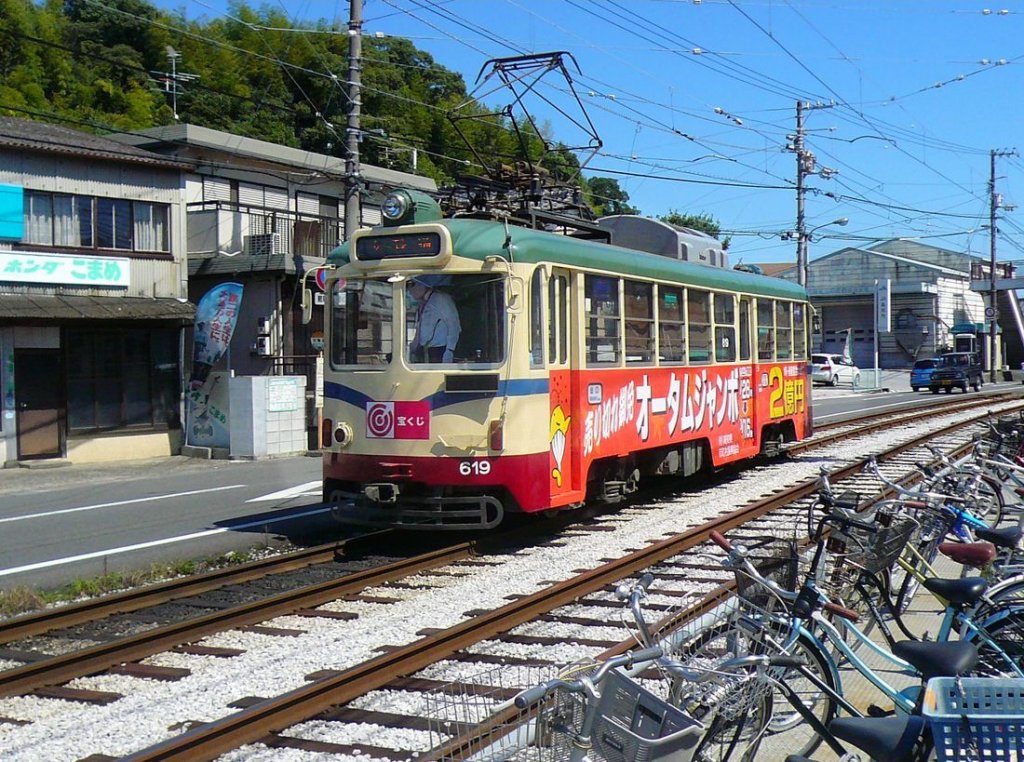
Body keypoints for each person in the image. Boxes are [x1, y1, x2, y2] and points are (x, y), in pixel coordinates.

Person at [408, 276, 461, 363]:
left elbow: (454, 325)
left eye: (412, 285)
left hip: (439, 351)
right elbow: (420, 329)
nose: (410, 290)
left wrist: (450, 349)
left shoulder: (441, 299)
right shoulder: (422, 303)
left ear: (423, 285)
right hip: (425, 351)